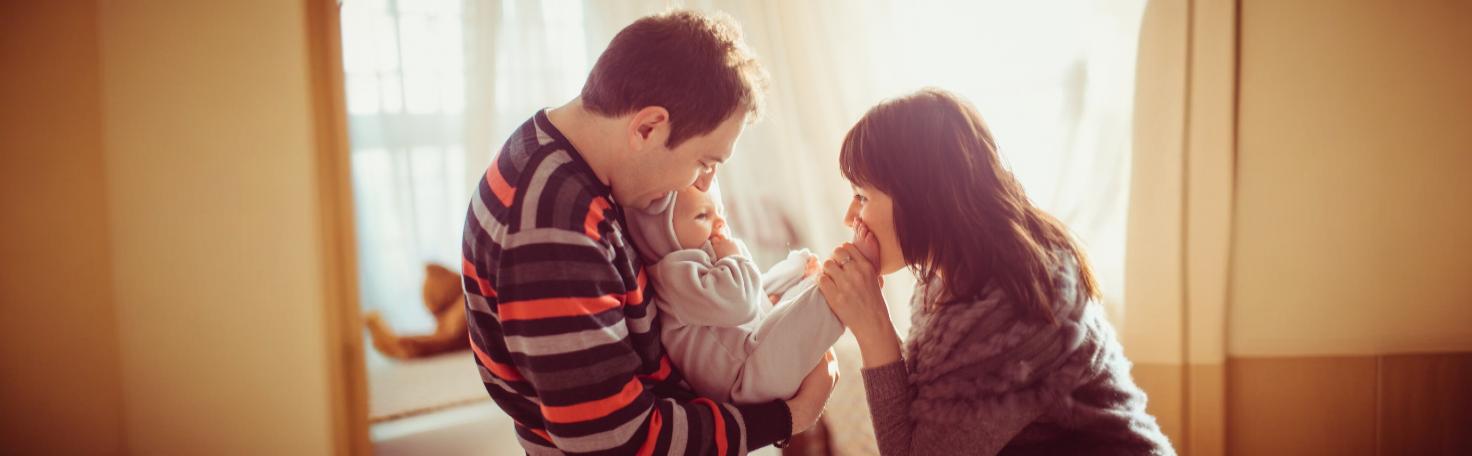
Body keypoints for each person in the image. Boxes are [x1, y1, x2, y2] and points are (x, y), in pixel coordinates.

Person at [461, 10, 837, 455]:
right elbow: (611, 440)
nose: (702, 185)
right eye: (705, 163)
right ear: (647, 127)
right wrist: (789, 417)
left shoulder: (566, 161)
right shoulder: (553, 226)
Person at [817, 88, 1175, 455]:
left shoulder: (1007, 308)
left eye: (862, 196)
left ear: (920, 196)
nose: (850, 217)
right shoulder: (953, 283)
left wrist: (873, 329)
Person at [624, 184, 844, 404]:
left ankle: (825, 284)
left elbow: (756, 294)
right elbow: (742, 305)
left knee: (799, 295)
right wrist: (734, 256)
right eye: (702, 215)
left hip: (755, 347)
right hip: (745, 381)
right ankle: (843, 287)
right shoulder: (675, 276)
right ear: (659, 231)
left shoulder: (703, 263)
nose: (720, 222)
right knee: (817, 306)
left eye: (720, 212)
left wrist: (794, 273)